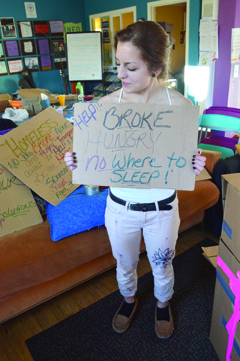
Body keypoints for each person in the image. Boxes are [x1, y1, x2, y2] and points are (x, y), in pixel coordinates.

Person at [64, 20, 206, 338]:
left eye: (130, 67)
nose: (120, 75)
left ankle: (162, 303)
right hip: (120, 208)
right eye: (117, 65)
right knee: (124, 263)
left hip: (162, 209)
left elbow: (184, 163)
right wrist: (77, 160)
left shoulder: (180, 110)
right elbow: (94, 162)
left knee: (162, 263)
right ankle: (129, 299)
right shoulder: (103, 108)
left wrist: (195, 164)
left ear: (155, 67)